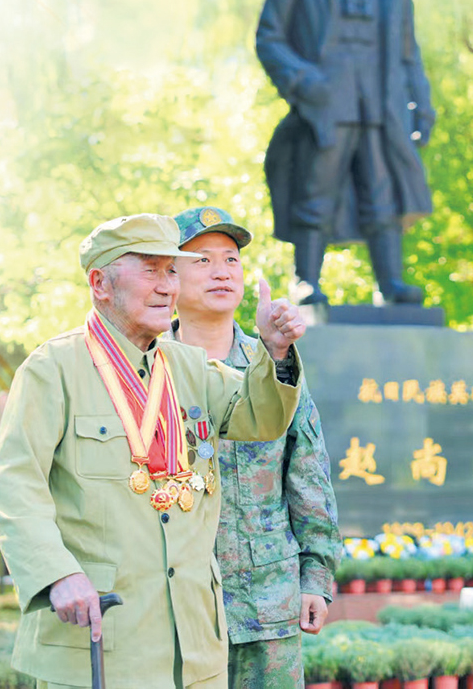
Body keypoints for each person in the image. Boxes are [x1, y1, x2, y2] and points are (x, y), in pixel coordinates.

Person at [0, 213, 305, 689]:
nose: (167, 287)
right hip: (99, 638)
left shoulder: (189, 366)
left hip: (192, 649)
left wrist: (274, 350)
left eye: (172, 271)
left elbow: (262, 417)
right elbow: (15, 487)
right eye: (151, 270)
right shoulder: (52, 369)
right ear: (100, 283)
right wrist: (56, 575)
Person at [167, 206, 341, 689]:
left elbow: (308, 474)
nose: (221, 271)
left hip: (269, 602)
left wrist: (316, 577)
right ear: (169, 275)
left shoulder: (275, 365)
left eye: (231, 260)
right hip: (176, 607)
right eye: (202, 260)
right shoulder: (149, 368)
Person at [256, 0, 435, 305]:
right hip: (326, 104)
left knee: (382, 191)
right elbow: (270, 38)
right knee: (316, 188)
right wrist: (304, 82)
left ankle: (390, 283)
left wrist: (421, 103)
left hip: (380, 102)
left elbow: (408, 50)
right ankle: (307, 280)